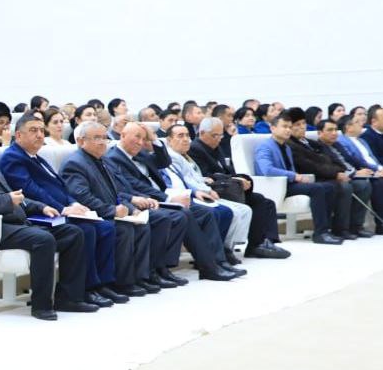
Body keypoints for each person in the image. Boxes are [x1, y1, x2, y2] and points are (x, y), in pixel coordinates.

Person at [0, 126, 94, 319]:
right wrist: (6, 201)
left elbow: (17, 197)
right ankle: (41, 305)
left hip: (16, 223)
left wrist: (41, 206)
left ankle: (68, 297)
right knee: (43, 239)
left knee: (73, 233)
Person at [0, 113, 129, 307]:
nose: (39, 135)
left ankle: (101, 284)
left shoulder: (36, 157)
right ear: (18, 135)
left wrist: (73, 203)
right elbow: (31, 190)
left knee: (106, 227)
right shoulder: (13, 157)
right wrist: (63, 209)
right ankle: (82, 289)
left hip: (58, 210)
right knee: (87, 229)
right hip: (39, 214)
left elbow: (60, 187)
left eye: (41, 130)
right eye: (33, 131)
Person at [106, 122, 240, 280]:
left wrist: (154, 139)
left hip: (161, 196)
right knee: (182, 214)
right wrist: (169, 198)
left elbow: (164, 162)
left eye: (143, 138)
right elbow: (135, 185)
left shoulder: (139, 152)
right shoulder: (114, 158)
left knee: (205, 213)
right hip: (146, 199)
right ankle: (192, 268)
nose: (141, 142)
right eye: (137, 137)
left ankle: (217, 262)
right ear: (122, 135)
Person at [59, 121, 170, 295]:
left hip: (110, 210)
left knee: (141, 225)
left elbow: (117, 191)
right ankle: (118, 282)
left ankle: (138, 277)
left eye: (104, 137)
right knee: (123, 229)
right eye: (97, 138)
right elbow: (83, 197)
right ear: (81, 141)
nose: (102, 142)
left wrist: (130, 208)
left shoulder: (102, 160)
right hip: (92, 214)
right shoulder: (75, 163)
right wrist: (112, 210)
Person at [190, 117, 287, 258]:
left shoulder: (215, 147)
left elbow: (226, 170)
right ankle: (255, 245)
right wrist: (234, 180)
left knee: (267, 203)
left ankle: (266, 241)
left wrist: (241, 178)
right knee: (258, 200)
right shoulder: (195, 149)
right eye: (214, 135)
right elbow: (205, 175)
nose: (218, 139)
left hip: (226, 186)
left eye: (221, 135)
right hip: (215, 190)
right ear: (202, 133)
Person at [162, 122, 254, 259]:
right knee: (223, 211)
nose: (186, 139)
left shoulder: (184, 156)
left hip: (200, 191)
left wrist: (204, 181)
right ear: (169, 140)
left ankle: (225, 249)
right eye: (180, 136)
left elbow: (193, 177)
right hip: (187, 195)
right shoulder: (171, 157)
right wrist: (204, 190)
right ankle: (216, 252)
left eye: (187, 135)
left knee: (242, 210)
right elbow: (186, 181)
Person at [253, 112, 344, 244]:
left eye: (289, 127)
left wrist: (296, 176)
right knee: (317, 189)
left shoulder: (286, 147)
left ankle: (325, 229)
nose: (288, 130)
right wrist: (294, 176)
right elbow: (267, 169)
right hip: (274, 186)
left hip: (288, 184)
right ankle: (320, 234)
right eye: (284, 126)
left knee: (329, 187)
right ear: (273, 128)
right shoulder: (265, 146)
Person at [284, 108, 365, 239]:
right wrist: (335, 174)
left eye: (303, 123)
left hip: (327, 174)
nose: (302, 127)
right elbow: (310, 166)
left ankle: (353, 227)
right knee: (343, 187)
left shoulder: (311, 142)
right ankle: (338, 229)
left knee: (361, 185)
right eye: (297, 124)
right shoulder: (291, 145)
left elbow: (331, 159)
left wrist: (339, 171)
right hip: (312, 177)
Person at [331, 113, 383, 233]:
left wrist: (381, 168)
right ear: (348, 127)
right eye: (357, 122)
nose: (361, 124)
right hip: (362, 172)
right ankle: (382, 224)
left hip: (374, 169)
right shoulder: (342, 141)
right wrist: (377, 171)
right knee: (379, 185)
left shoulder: (362, 140)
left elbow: (372, 158)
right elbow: (356, 161)